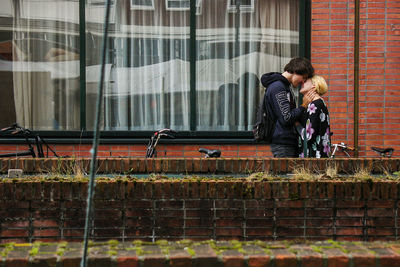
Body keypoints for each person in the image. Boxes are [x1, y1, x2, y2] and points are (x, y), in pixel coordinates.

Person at [261, 57, 315, 157]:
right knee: (286, 172)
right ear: (296, 71)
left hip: (285, 141)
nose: (303, 82)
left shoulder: (284, 86)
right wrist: (303, 105)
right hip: (283, 143)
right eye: (303, 77)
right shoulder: (278, 87)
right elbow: (287, 118)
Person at [298, 75, 331, 158]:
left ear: (314, 86)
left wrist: (296, 124)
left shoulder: (314, 105)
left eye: (305, 81)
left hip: (314, 156)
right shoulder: (321, 103)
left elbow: (308, 136)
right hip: (321, 154)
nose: (301, 83)